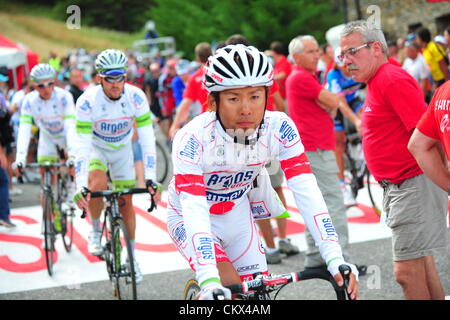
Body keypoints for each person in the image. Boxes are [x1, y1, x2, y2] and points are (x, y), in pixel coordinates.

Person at [166, 44, 359, 300]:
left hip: (237, 212)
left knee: (258, 296)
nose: (246, 109)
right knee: (229, 292)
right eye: (234, 98)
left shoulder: (279, 127)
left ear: (267, 97)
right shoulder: (192, 138)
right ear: (214, 101)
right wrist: (209, 279)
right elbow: (194, 207)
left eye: (255, 96)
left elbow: (308, 192)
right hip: (190, 216)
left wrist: (335, 258)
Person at [340, 20, 447, 300]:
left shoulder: (391, 79)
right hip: (402, 185)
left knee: (406, 273)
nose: (346, 61)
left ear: (376, 48)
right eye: (343, 55)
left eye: (352, 52)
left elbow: (428, 135)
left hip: (410, 184)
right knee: (422, 266)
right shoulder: (379, 80)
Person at [72, 49, 161, 284]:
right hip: (96, 149)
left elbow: (147, 139)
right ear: (100, 78)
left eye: (120, 76)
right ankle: (93, 230)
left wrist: (150, 178)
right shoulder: (87, 101)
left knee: (126, 203)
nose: (115, 83)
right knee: (97, 183)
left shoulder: (136, 97)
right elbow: (81, 146)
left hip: (122, 151)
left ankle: (132, 258)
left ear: (125, 76)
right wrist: (80, 185)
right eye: (110, 77)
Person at [286, 35, 360, 270]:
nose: (317, 54)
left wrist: (329, 103)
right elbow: (334, 100)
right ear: (296, 57)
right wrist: (329, 103)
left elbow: (331, 102)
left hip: (311, 147)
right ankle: (341, 259)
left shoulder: (302, 77)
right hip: (315, 147)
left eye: (317, 50)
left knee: (315, 203)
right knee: (333, 202)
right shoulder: (301, 78)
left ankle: (317, 256)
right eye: (310, 51)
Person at [13, 64, 76, 231]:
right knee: (46, 182)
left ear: (54, 82)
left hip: (65, 136)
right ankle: (48, 221)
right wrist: (20, 158)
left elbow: (71, 126)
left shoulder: (64, 97)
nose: (46, 89)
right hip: (47, 139)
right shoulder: (29, 100)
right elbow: (24, 130)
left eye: (50, 84)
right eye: (41, 85)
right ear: (34, 85)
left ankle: (70, 190)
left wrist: (72, 153)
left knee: (73, 162)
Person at [326, 48, 364, 206]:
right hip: (335, 106)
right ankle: (341, 185)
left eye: (348, 65)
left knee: (367, 118)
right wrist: (356, 121)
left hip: (353, 100)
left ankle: (363, 154)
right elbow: (341, 104)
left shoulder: (358, 68)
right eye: (343, 66)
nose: (346, 69)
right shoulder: (333, 75)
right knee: (339, 143)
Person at [169, 42, 212, 139]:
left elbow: (185, 104)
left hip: (209, 121)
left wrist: (174, 126)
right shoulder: (222, 71)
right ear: (211, 54)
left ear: (197, 59)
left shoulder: (195, 78)